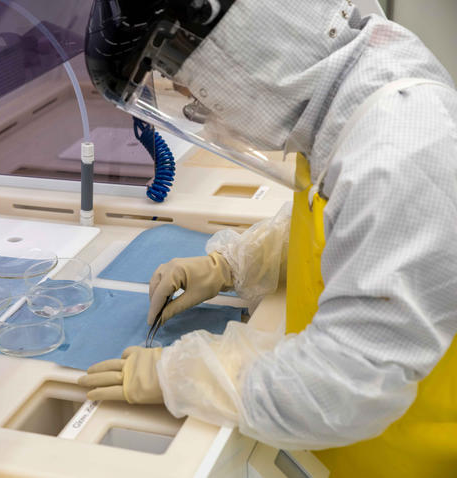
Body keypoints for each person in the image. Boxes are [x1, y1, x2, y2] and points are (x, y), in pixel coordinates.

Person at [79, 1, 457, 476]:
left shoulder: (402, 149)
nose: (194, 100)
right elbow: (340, 219)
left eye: (183, 73)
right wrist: (231, 265)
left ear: (241, 37)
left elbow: (342, 389)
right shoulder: (358, 93)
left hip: (404, 457)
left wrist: (178, 374)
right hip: (344, 449)